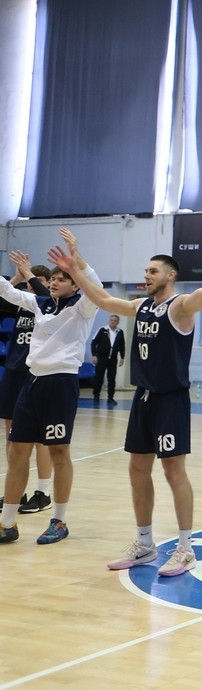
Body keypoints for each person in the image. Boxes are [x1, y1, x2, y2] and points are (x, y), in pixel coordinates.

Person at [55, 236, 202, 576]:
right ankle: (145, 544)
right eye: (145, 271)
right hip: (143, 398)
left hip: (170, 398)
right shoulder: (141, 306)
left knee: (173, 471)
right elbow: (103, 299)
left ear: (170, 275)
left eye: (152, 271)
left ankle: (186, 549)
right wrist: (75, 269)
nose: (146, 275)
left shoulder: (180, 306)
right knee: (137, 469)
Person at [0, 229, 103, 546]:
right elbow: (7, 291)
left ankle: (59, 520)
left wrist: (77, 260)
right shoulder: (41, 303)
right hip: (32, 382)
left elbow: (96, 287)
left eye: (62, 278)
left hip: (60, 383)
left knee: (59, 452)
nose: (55, 282)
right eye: (54, 278)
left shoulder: (83, 307)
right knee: (17, 451)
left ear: (75, 284)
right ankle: (7, 523)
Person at [0, 258, 53, 514]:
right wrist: (17, 279)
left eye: (37, 282)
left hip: (37, 375)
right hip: (14, 373)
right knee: (12, 436)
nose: (32, 286)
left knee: (41, 439)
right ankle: (16, 489)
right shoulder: (22, 304)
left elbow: (46, 297)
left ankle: (43, 492)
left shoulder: (51, 306)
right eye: (30, 283)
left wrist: (29, 275)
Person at [91, 314, 126, 405]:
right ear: (109, 321)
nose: (113, 322)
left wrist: (122, 357)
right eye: (111, 320)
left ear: (117, 322)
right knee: (99, 377)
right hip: (101, 358)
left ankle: (110, 397)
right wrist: (94, 355)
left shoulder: (120, 332)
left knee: (112, 378)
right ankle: (96, 396)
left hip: (113, 359)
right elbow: (94, 342)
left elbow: (122, 345)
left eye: (115, 320)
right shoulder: (102, 330)